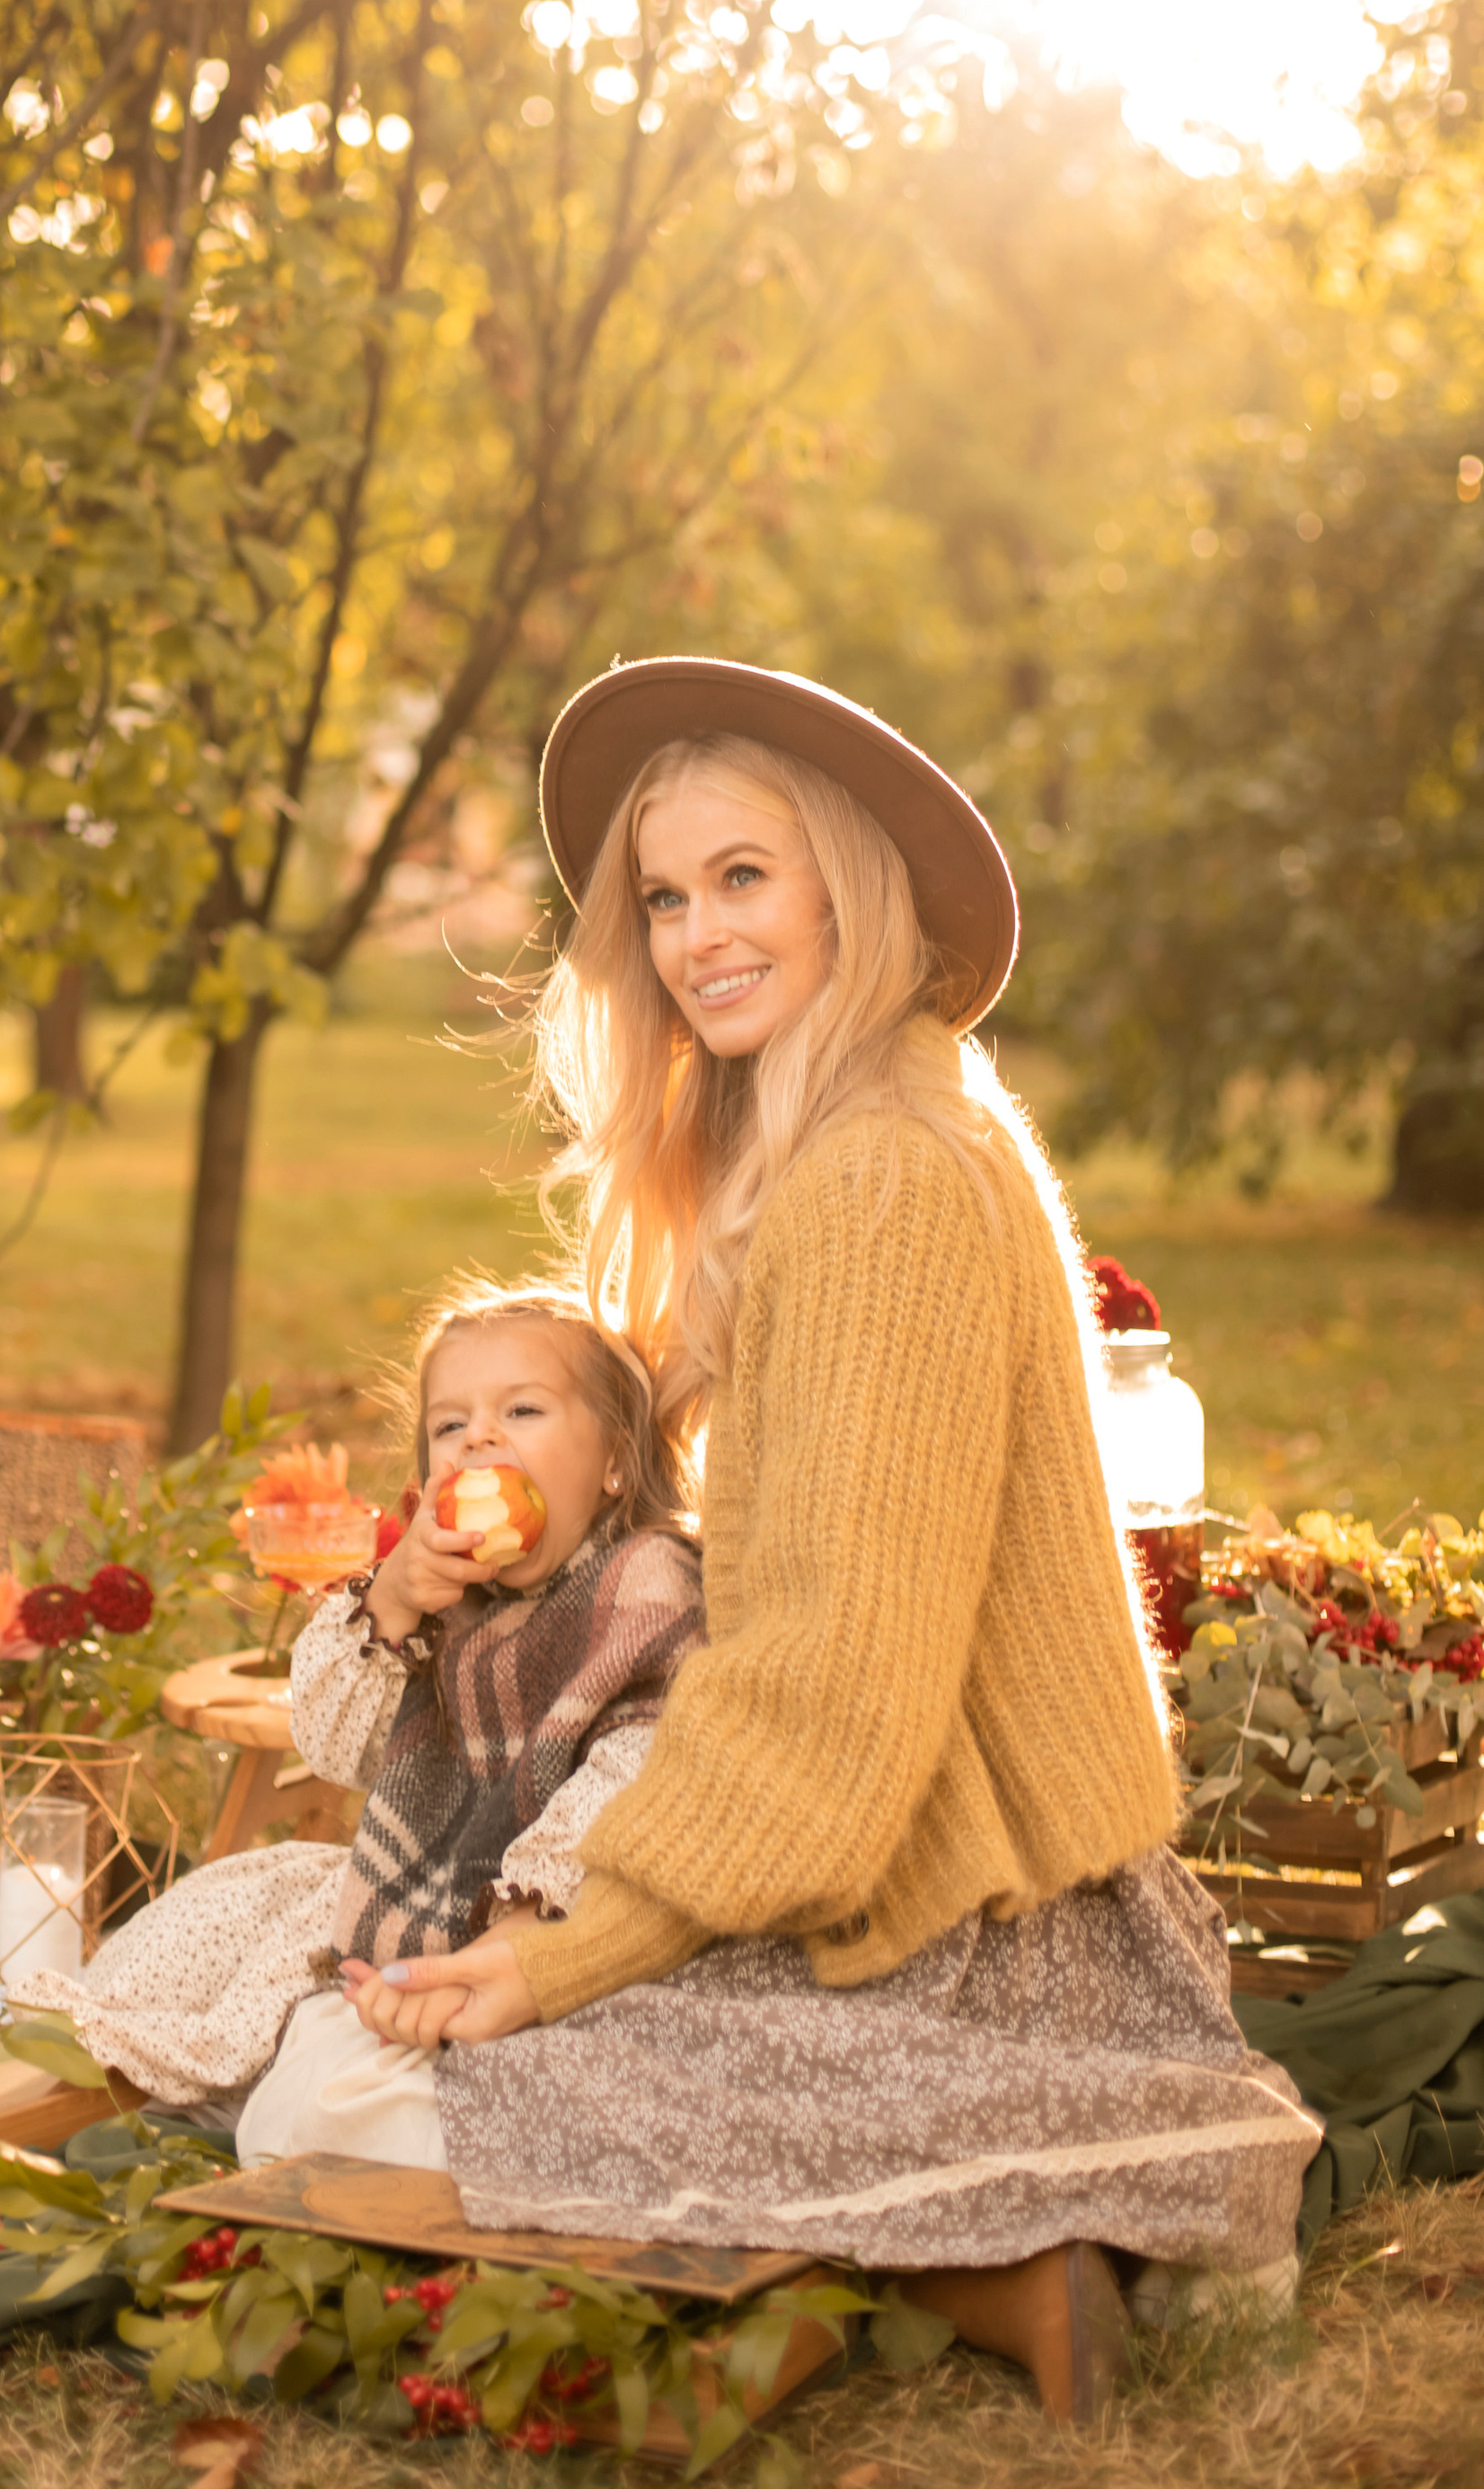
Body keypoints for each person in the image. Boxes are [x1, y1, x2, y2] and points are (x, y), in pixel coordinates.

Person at [338, 657, 1320, 2420]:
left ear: (841, 892)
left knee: (379, 2073)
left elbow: (831, 1689)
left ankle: (996, 2239)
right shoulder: (870, 1128)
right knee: (396, 1990)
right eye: (660, 894)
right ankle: (924, 2253)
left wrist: (569, 1949)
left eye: (743, 877)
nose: (697, 933)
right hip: (933, 1854)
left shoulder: (873, 1184)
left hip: (976, 1926)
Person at [7, 1288, 703, 2166]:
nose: (481, 1440)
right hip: (426, 1882)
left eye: (521, 1411)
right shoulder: (445, 1595)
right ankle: (140, 2068)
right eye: (451, 1427)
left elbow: (640, 1770)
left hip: (569, 1918)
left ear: (614, 1461)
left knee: (351, 2092)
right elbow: (337, 1745)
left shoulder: (643, 1580)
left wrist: (528, 1919)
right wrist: (392, 1603)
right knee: (192, 1933)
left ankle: (303, 2108)